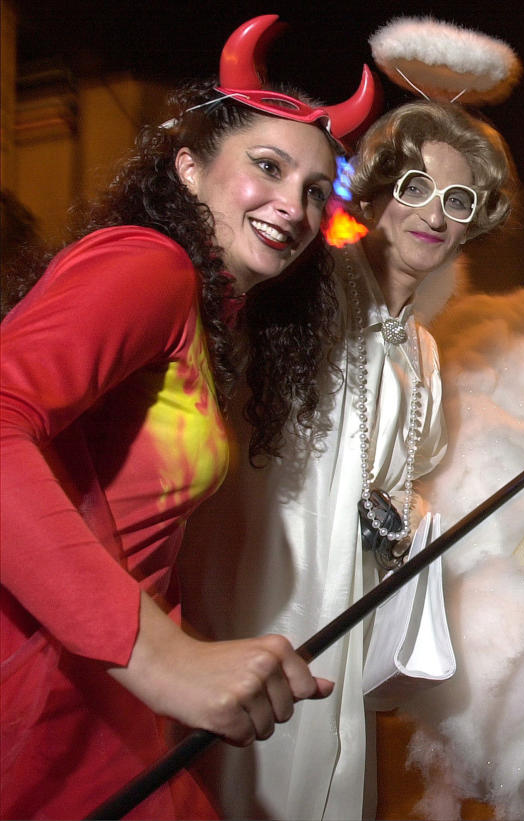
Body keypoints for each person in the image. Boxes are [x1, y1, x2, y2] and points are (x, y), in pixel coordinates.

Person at [0, 15, 377, 819]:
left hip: (92, 689)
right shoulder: (151, 263)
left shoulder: (215, 315)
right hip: (40, 688)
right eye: (267, 167)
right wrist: (156, 651)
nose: (294, 206)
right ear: (187, 167)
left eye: (316, 190)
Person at [181, 100, 516, 820]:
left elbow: (409, 466)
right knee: (247, 781)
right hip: (259, 588)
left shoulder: (420, 346)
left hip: (347, 605)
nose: (434, 213)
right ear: (374, 192)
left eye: (458, 200)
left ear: (474, 222)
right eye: (415, 186)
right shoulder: (306, 284)